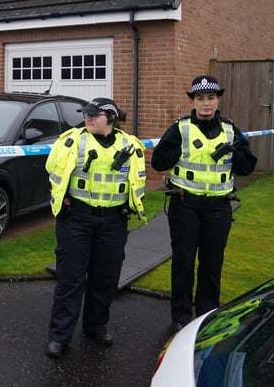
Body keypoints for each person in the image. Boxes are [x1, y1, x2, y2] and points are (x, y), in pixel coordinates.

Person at [151, 75, 257, 334]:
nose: (206, 103)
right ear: (193, 101)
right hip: (185, 204)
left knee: (212, 262)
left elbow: (246, 166)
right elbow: (158, 162)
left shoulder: (231, 130)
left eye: (210, 97)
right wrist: (177, 152)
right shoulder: (181, 128)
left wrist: (234, 152)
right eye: (200, 98)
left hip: (218, 207)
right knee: (184, 262)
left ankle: (207, 315)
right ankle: (181, 316)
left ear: (217, 99)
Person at [45, 97, 147, 358]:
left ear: (111, 118)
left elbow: (137, 179)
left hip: (114, 220)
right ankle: (59, 336)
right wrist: (64, 200)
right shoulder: (72, 140)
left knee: (106, 277)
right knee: (70, 278)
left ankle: (95, 326)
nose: (88, 118)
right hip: (76, 218)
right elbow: (52, 171)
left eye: (94, 115)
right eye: (86, 115)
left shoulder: (130, 145)